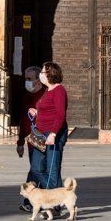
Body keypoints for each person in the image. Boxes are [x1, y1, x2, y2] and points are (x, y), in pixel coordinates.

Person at [28, 62, 69, 191]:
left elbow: (60, 114)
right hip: (40, 134)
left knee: (52, 170)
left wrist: (53, 134)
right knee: (36, 168)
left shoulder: (59, 90)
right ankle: (56, 199)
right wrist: (36, 112)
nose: (41, 74)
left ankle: (54, 202)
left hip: (53, 134)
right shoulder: (48, 90)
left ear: (50, 74)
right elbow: (48, 110)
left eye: (43, 72)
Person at [17, 66, 46, 212]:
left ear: (38, 80)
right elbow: (23, 119)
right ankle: (33, 201)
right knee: (35, 169)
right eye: (25, 79)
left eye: (29, 79)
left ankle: (34, 201)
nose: (27, 82)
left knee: (37, 170)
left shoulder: (46, 94)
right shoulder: (27, 96)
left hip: (44, 138)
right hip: (31, 140)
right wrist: (20, 142)